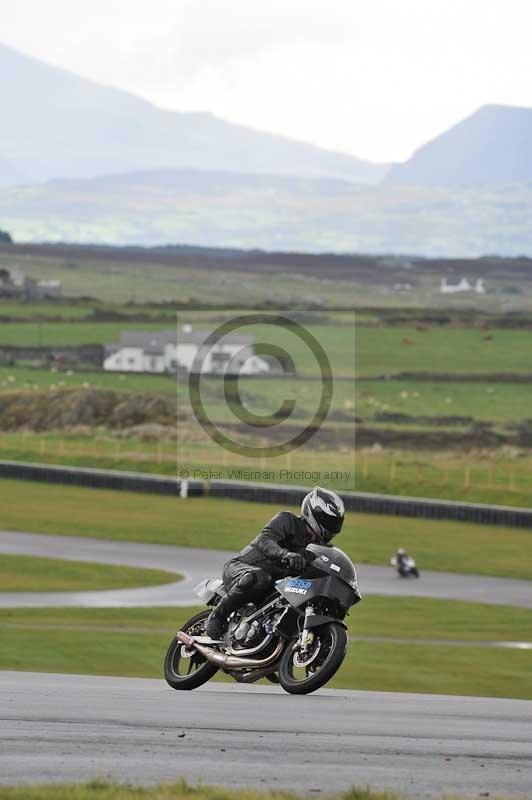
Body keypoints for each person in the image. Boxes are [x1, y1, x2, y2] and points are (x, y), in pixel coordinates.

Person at [205, 486, 345, 639]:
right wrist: (285, 554)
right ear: (314, 513)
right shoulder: (287, 520)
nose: (332, 526)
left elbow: (325, 568)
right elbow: (264, 540)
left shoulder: (319, 549)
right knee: (258, 577)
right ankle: (217, 616)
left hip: (274, 586)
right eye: (329, 520)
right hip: (242, 568)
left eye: (335, 522)